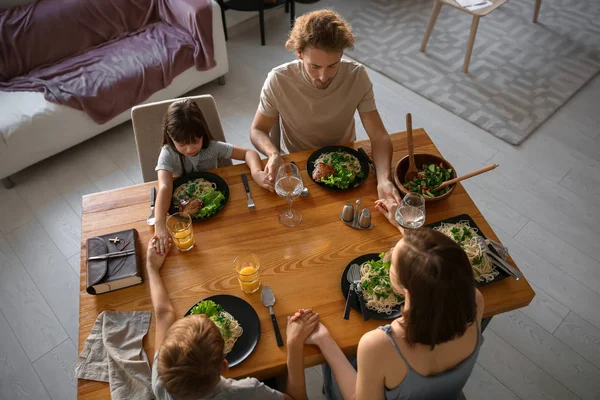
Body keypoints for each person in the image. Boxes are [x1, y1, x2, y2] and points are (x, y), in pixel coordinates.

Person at [295, 199, 484, 400]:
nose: (390, 254)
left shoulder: (379, 345)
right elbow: (436, 270)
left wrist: (324, 340)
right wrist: (405, 227)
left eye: (393, 262)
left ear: (407, 291)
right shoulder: (474, 300)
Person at [250, 10, 401, 204]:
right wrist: (272, 154)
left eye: (332, 66)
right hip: (300, 165)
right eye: (314, 67)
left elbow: (379, 136)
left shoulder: (357, 76)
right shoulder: (278, 80)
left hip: (346, 161)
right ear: (299, 54)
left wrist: (383, 180)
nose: (323, 76)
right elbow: (257, 130)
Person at [146, 237, 320, 400]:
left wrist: (151, 267)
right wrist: (294, 344)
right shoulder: (246, 390)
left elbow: (164, 313)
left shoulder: (159, 381)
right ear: (224, 367)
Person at [153, 99, 273, 255]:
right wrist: (159, 224)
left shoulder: (211, 148)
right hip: (185, 219)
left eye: (195, 141)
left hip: (219, 217)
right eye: (182, 144)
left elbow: (248, 153)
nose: (189, 149)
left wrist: (256, 172)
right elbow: (164, 187)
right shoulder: (168, 154)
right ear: (170, 136)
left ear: (203, 133)